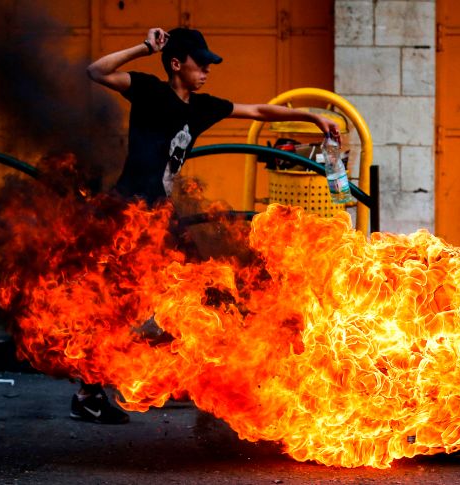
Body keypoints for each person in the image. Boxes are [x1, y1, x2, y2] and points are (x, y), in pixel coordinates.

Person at [69, 26, 342, 424]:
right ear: (177, 64)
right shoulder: (148, 91)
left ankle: (189, 375)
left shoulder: (200, 107)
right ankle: (91, 392)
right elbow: (96, 71)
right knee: (121, 302)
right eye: (201, 63)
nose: (207, 71)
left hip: (160, 214)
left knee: (203, 287)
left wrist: (311, 116)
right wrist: (146, 47)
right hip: (127, 212)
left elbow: (260, 111)